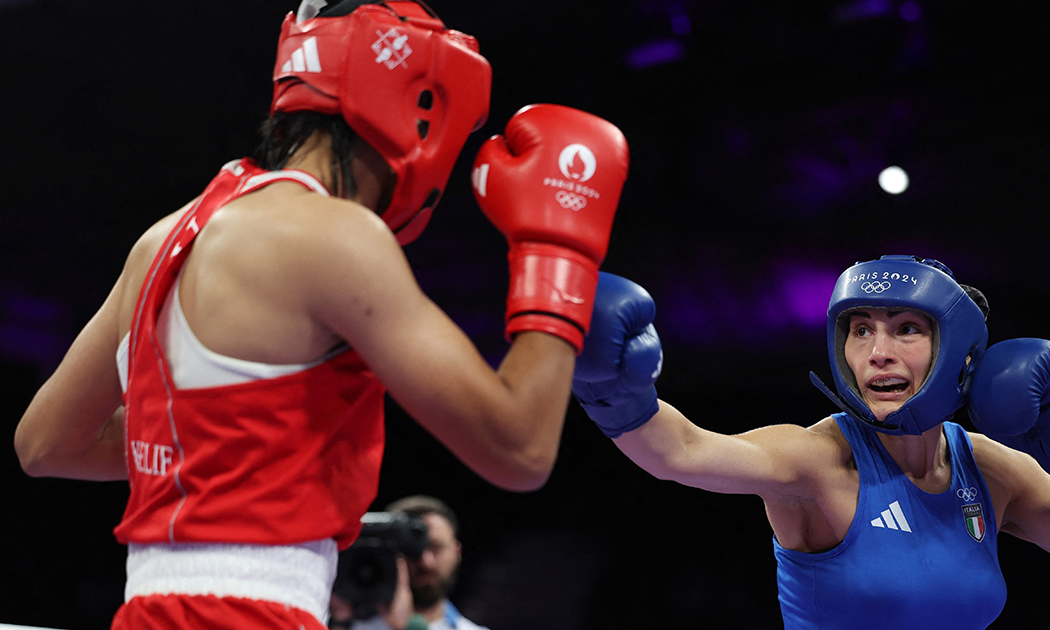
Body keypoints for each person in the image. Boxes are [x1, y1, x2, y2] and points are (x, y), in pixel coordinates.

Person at [13, 1, 630, 628]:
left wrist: (218, 444)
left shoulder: (163, 239)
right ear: (418, 108)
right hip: (254, 615)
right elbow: (519, 449)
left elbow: (46, 443)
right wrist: (559, 253)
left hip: (147, 610)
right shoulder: (336, 236)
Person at [572, 257, 1050, 630]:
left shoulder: (992, 470)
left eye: (907, 329)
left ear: (961, 354)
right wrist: (616, 392)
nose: (877, 351)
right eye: (859, 329)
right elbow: (681, 452)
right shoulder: (817, 460)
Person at [331, 495, 486, 630]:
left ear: (457, 551)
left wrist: (409, 627)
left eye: (436, 548)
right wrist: (340, 621)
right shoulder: (339, 621)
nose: (426, 562)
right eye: (411, 551)